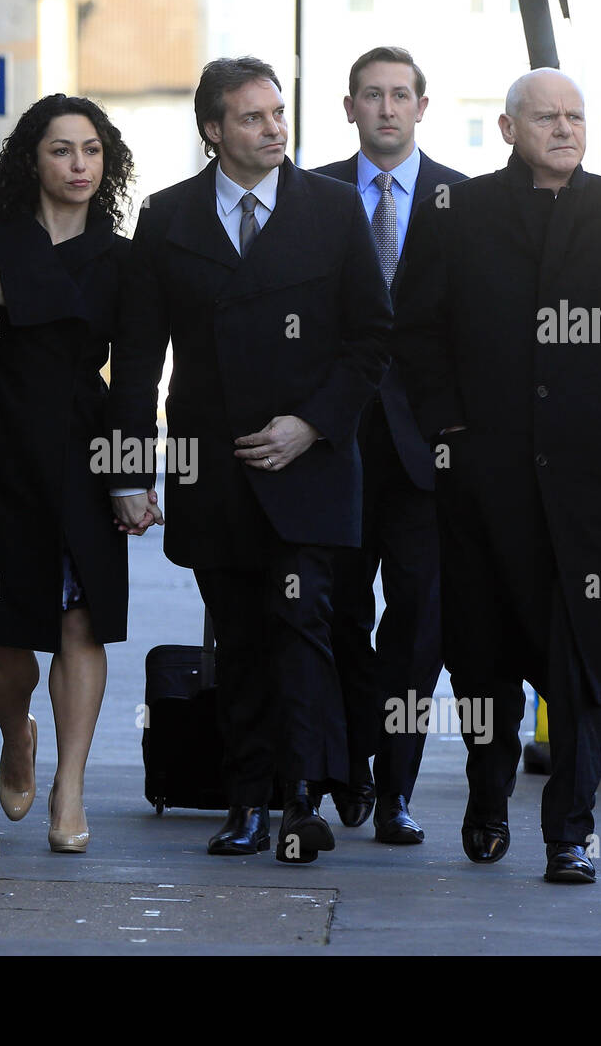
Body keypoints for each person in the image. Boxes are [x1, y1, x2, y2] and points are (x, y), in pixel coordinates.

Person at [394, 68, 601, 882]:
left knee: (584, 661)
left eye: (575, 116)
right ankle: (488, 798)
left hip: (586, 485)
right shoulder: (456, 212)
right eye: (547, 116)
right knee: (482, 656)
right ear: (508, 128)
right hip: (484, 482)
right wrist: (448, 425)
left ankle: (570, 833)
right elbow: (415, 327)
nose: (564, 128)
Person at [107, 57, 392, 864]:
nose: (274, 129)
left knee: (301, 625)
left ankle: (300, 798)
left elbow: (372, 338)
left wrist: (312, 425)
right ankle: (244, 802)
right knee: (236, 639)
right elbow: (137, 359)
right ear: (213, 129)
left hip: (309, 466)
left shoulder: (332, 208)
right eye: (253, 117)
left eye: (278, 113)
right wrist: (129, 472)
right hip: (214, 466)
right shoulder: (167, 217)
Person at [0, 94, 134, 853]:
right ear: (32, 159)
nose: (79, 165)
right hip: (2, 450)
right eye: (61, 150)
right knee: (2, 632)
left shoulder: (121, 256)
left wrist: (131, 474)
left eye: (91, 150)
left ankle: (70, 787)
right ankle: (17, 733)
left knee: (83, 620)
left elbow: (137, 374)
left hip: (85, 449)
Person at [314, 47, 465, 844]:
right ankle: (351, 767)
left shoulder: (463, 202)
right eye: (371, 95)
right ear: (349, 107)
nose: (386, 108)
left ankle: (396, 787)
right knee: (337, 612)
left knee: (418, 623)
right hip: (333, 447)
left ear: (422, 106)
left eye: (400, 95)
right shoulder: (312, 195)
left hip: (426, 455)